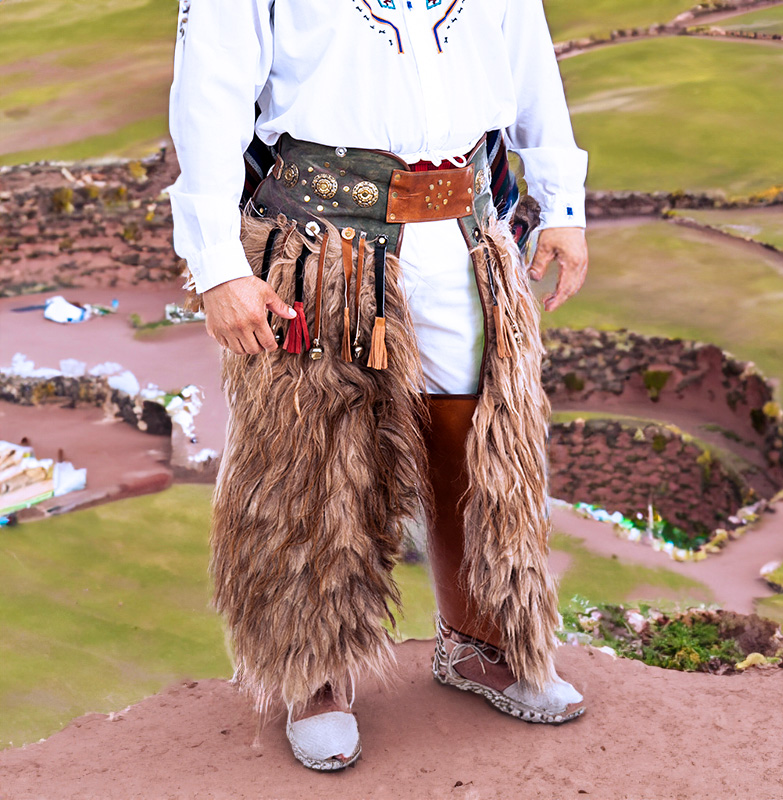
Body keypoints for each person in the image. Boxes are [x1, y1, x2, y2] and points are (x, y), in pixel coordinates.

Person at [168, 0, 589, 772]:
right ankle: (313, 675)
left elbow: (528, 62)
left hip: (466, 231)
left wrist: (561, 201)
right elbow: (210, 96)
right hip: (321, 238)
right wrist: (220, 265)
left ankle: (480, 641)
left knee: (480, 444)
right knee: (313, 457)